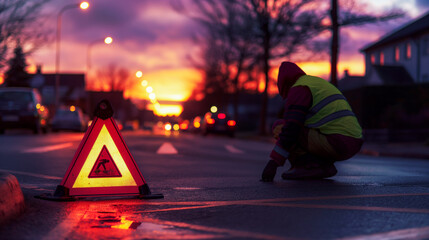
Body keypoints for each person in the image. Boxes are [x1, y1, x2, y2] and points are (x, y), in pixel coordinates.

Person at [261, 62, 363, 181]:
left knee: (280, 126)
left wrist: (274, 162)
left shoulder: (299, 89)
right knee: (303, 127)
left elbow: (291, 128)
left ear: (284, 83)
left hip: (337, 142)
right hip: (354, 141)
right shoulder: (315, 84)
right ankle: (323, 165)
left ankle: (307, 166)